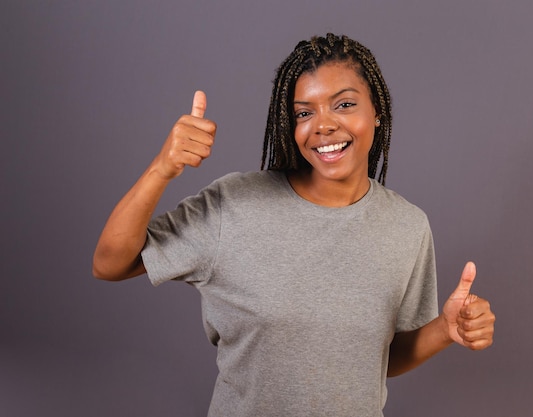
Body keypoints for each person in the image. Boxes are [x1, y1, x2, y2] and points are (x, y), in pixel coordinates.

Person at [93, 33, 495, 416]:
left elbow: (376, 359)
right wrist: (162, 169)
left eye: (344, 104)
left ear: (377, 113)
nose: (323, 125)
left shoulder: (407, 227)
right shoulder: (234, 204)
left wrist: (445, 329)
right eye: (304, 112)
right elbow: (110, 263)